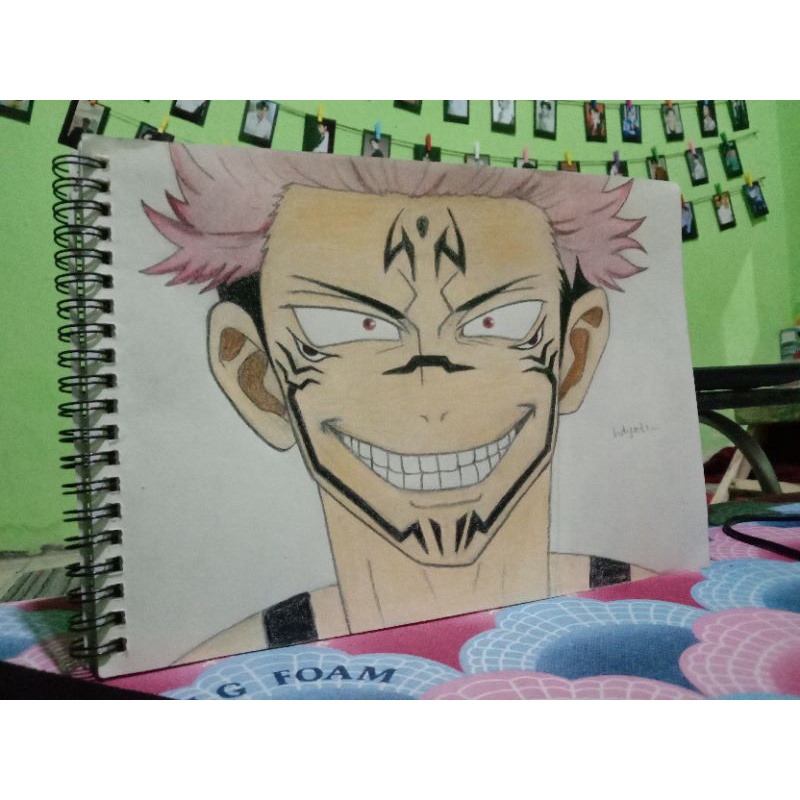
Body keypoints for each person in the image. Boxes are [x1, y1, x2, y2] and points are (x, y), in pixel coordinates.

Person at [142, 147, 652, 659]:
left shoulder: (663, 614)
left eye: (495, 322)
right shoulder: (211, 676)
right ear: (257, 377)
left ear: (574, 353)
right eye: (353, 327)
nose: (432, 404)